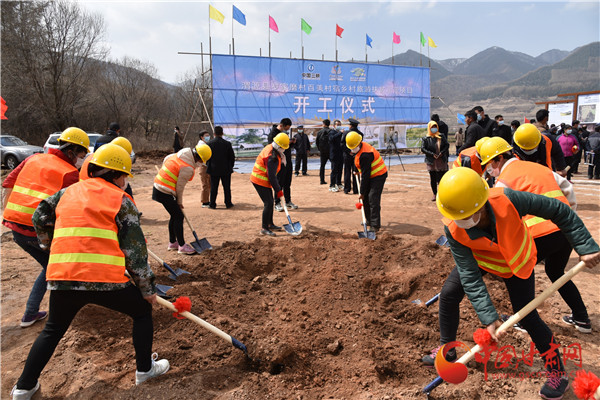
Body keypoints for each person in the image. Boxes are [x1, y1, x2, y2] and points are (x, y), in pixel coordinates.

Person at [10, 144, 169, 400]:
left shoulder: (67, 192)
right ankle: (144, 370)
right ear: (117, 175)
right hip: (105, 280)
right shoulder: (121, 200)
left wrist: (50, 244)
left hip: (64, 277)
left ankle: (23, 388)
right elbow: (135, 250)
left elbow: (39, 216)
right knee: (142, 312)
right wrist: (147, 288)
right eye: (125, 176)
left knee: (52, 329)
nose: (126, 181)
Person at [430, 167, 599, 399]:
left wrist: (585, 245)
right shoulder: (453, 228)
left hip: (516, 261)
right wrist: (488, 318)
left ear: (481, 204)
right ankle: (447, 351)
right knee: (449, 294)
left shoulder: (507, 199)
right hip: (480, 257)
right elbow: (468, 274)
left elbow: (559, 210)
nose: (460, 222)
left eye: (466, 216)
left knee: (527, 315)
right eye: (457, 217)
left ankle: (557, 373)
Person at [480, 137, 590, 331]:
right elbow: (568, 189)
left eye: (488, 165)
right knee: (556, 272)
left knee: (520, 270)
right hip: (564, 230)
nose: (489, 169)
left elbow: (501, 216)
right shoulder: (539, 168)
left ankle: (524, 319)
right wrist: (569, 221)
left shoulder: (504, 181)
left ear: (497, 160)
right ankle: (581, 317)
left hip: (539, 233)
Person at [2, 127, 89, 328]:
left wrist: (10, 213)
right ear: (71, 151)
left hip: (16, 228)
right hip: (38, 231)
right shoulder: (69, 173)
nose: (82, 159)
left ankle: (32, 313)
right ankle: (49, 313)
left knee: (49, 267)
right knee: (57, 268)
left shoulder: (33, 159)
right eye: (82, 155)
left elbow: (8, 182)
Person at [152, 143, 212, 255]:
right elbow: (180, 187)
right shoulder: (187, 168)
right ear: (198, 158)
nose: (200, 164)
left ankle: (172, 243)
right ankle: (182, 246)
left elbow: (166, 159)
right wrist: (179, 202)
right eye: (200, 161)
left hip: (159, 187)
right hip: (164, 191)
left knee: (174, 215)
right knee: (179, 216)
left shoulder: (181, 154)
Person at [345, 131, 387, 232]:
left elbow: (365, 176)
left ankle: (375, 225)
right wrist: (355, 169)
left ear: (359, 143)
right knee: (366, 199)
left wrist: (362, 192)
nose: (352, 149)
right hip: (370, 175)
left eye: (354, 147)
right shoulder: (360, 148)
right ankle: (368, 219)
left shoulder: (365, 154)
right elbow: (356, 157)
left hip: (378, 176)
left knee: (372, 198)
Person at [250, 133, 288, 236]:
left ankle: (270, 224)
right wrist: (279, 190)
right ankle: (264, 228)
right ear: (279, 146)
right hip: (259, 180)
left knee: (270, 202)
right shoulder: (272, 156)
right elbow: (271, 176)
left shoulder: (272, 147)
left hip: (263, 179)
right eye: (283, 148)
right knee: (268, 203)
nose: (284, 150)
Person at [268, 118, 297, 211]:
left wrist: (291, 143)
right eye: (287, 128)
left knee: (287, 182)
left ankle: (288, 201)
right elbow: (273, 148)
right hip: (279, 162)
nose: (287, 130)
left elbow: (286, 147)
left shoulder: (284, 134)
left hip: (287, 161)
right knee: (279, 183)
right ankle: (277, 203)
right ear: (282, 125)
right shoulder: (273, 134)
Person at [207, 126, 235, 209]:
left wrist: (209, 166)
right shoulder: (227, 144)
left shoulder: (209, 144)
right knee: (226, 187)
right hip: (226, 169)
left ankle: (212, 204)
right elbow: (232, 157)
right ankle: (228, 203)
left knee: (213, 188)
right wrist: (230, 166)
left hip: (213, 169)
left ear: (214, 133)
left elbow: (207, 157)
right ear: (222, 133)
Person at [421, 121, 449, 201]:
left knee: (442, 178)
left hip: (441, 160)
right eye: (432, 127)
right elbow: (423, 148)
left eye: (435, 126)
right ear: (429, 128)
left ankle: (442, 193)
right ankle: (434, 193)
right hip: (431, 161)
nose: (434, 128)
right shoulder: (426, 138)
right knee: (433, 178)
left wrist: (442, 153)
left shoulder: (441, 136)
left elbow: (447, 145)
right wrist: (432, 154)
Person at [342, 118, 363, 194]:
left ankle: (347, 189)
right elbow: (360, 146)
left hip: (347, 155)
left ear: (351, 125)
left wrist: (349, 151)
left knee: (347, 171)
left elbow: (342, 144)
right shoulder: (360, 134)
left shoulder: (346, 133)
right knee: (356, 172)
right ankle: (356, 189)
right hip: (356, 155)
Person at [328, 120, 344, 192]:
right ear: (334, 125)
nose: (339, 126)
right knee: (334, 170)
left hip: (341, 154)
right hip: (334, 154)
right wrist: (340, 133)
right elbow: (331, 139)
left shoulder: (341, 133)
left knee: (340, 170)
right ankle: (332, 185)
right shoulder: (331, 132)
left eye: (340, 124)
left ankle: (339, 183)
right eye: (337, 124)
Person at [315, 119, 331, 185]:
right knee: (334, 165)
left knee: (322, 166)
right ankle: (334, 180)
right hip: (330, 151)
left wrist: (320, 149)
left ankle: (322, 180)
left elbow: (317, 142)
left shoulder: (319, 132)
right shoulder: (331, 131)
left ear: (323, 124)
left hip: (322, 151)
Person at [198, 130, 211, 207]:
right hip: (203, 166)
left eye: (208, 135)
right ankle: (205, 202)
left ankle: (207, 200)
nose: (208, 137)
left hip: (206, 166)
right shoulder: (201, 145)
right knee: (205, 184)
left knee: (208, 184)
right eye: (206, 136)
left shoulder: (205, 144)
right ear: (202, 137)